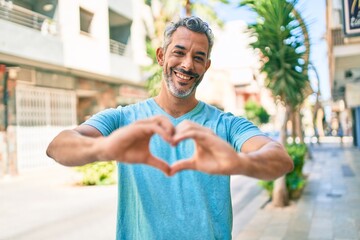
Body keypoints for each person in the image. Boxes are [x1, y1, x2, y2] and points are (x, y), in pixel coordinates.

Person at [47, 16, 293, 239]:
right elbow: (58, 147)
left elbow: (280, 159)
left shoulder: (226, 124)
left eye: (198, 57)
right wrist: (105, 148)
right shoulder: (123, 119)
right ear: (161, 56)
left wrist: (240, 163)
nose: (187, 65)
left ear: (206, 66)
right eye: (179, 52)